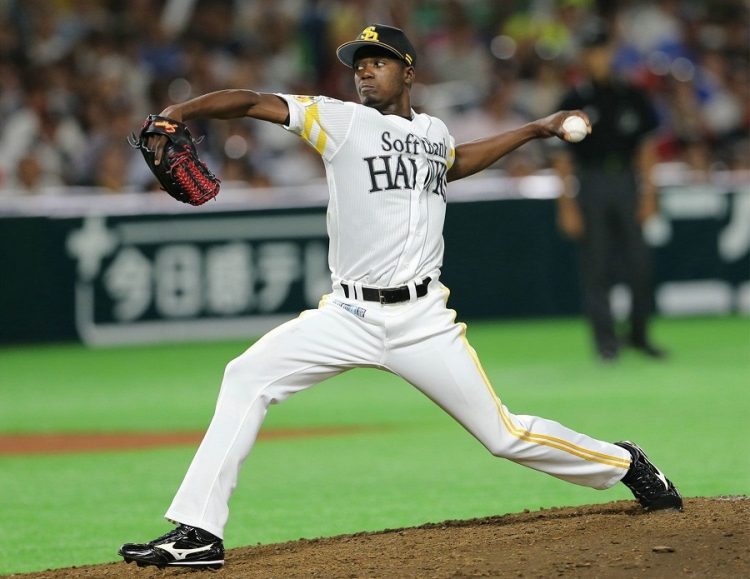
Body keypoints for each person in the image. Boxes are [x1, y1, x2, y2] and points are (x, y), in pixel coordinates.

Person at [119, 24, 682, 570]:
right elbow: (252, 101)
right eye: (359, 64)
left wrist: (536, 129)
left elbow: (455, 161)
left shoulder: (434, 133)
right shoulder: (337, 120)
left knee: (503, 435)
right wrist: (180, 112)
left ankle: (624, 463)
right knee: (246, 376)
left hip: (422, 321)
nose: (365, 71)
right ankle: (199, 532)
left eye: (378, 61)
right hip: (347, 314)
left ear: (407, 71)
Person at [552, 24, 666, 362]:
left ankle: (639, 335)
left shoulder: (632, 95)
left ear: (611, 54)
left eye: (602, 51)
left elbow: (646, 148)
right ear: (584, 57)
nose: (597, 58)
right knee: (596, 265)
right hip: (591, 182)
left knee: (639, 264)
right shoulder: (574, 99)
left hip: (626, 182)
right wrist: (567, 205)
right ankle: (606, 342)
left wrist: (648, 194)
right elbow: (561, 158)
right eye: (591, 52)